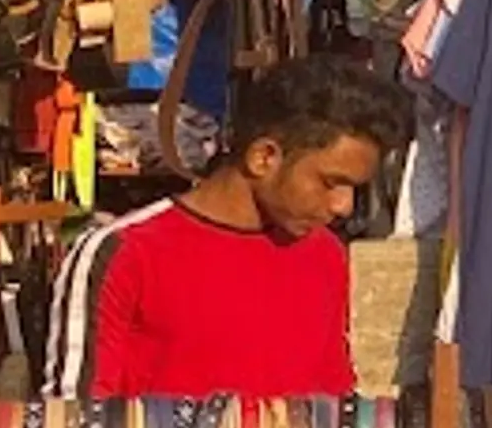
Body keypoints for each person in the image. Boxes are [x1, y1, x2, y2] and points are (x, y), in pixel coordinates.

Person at [49, 57, 416, 399]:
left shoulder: (324, 256)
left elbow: (333, 408)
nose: (344, 205)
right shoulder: (124, 253)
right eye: (331, 182)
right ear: (264, 157)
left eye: (354, 188)